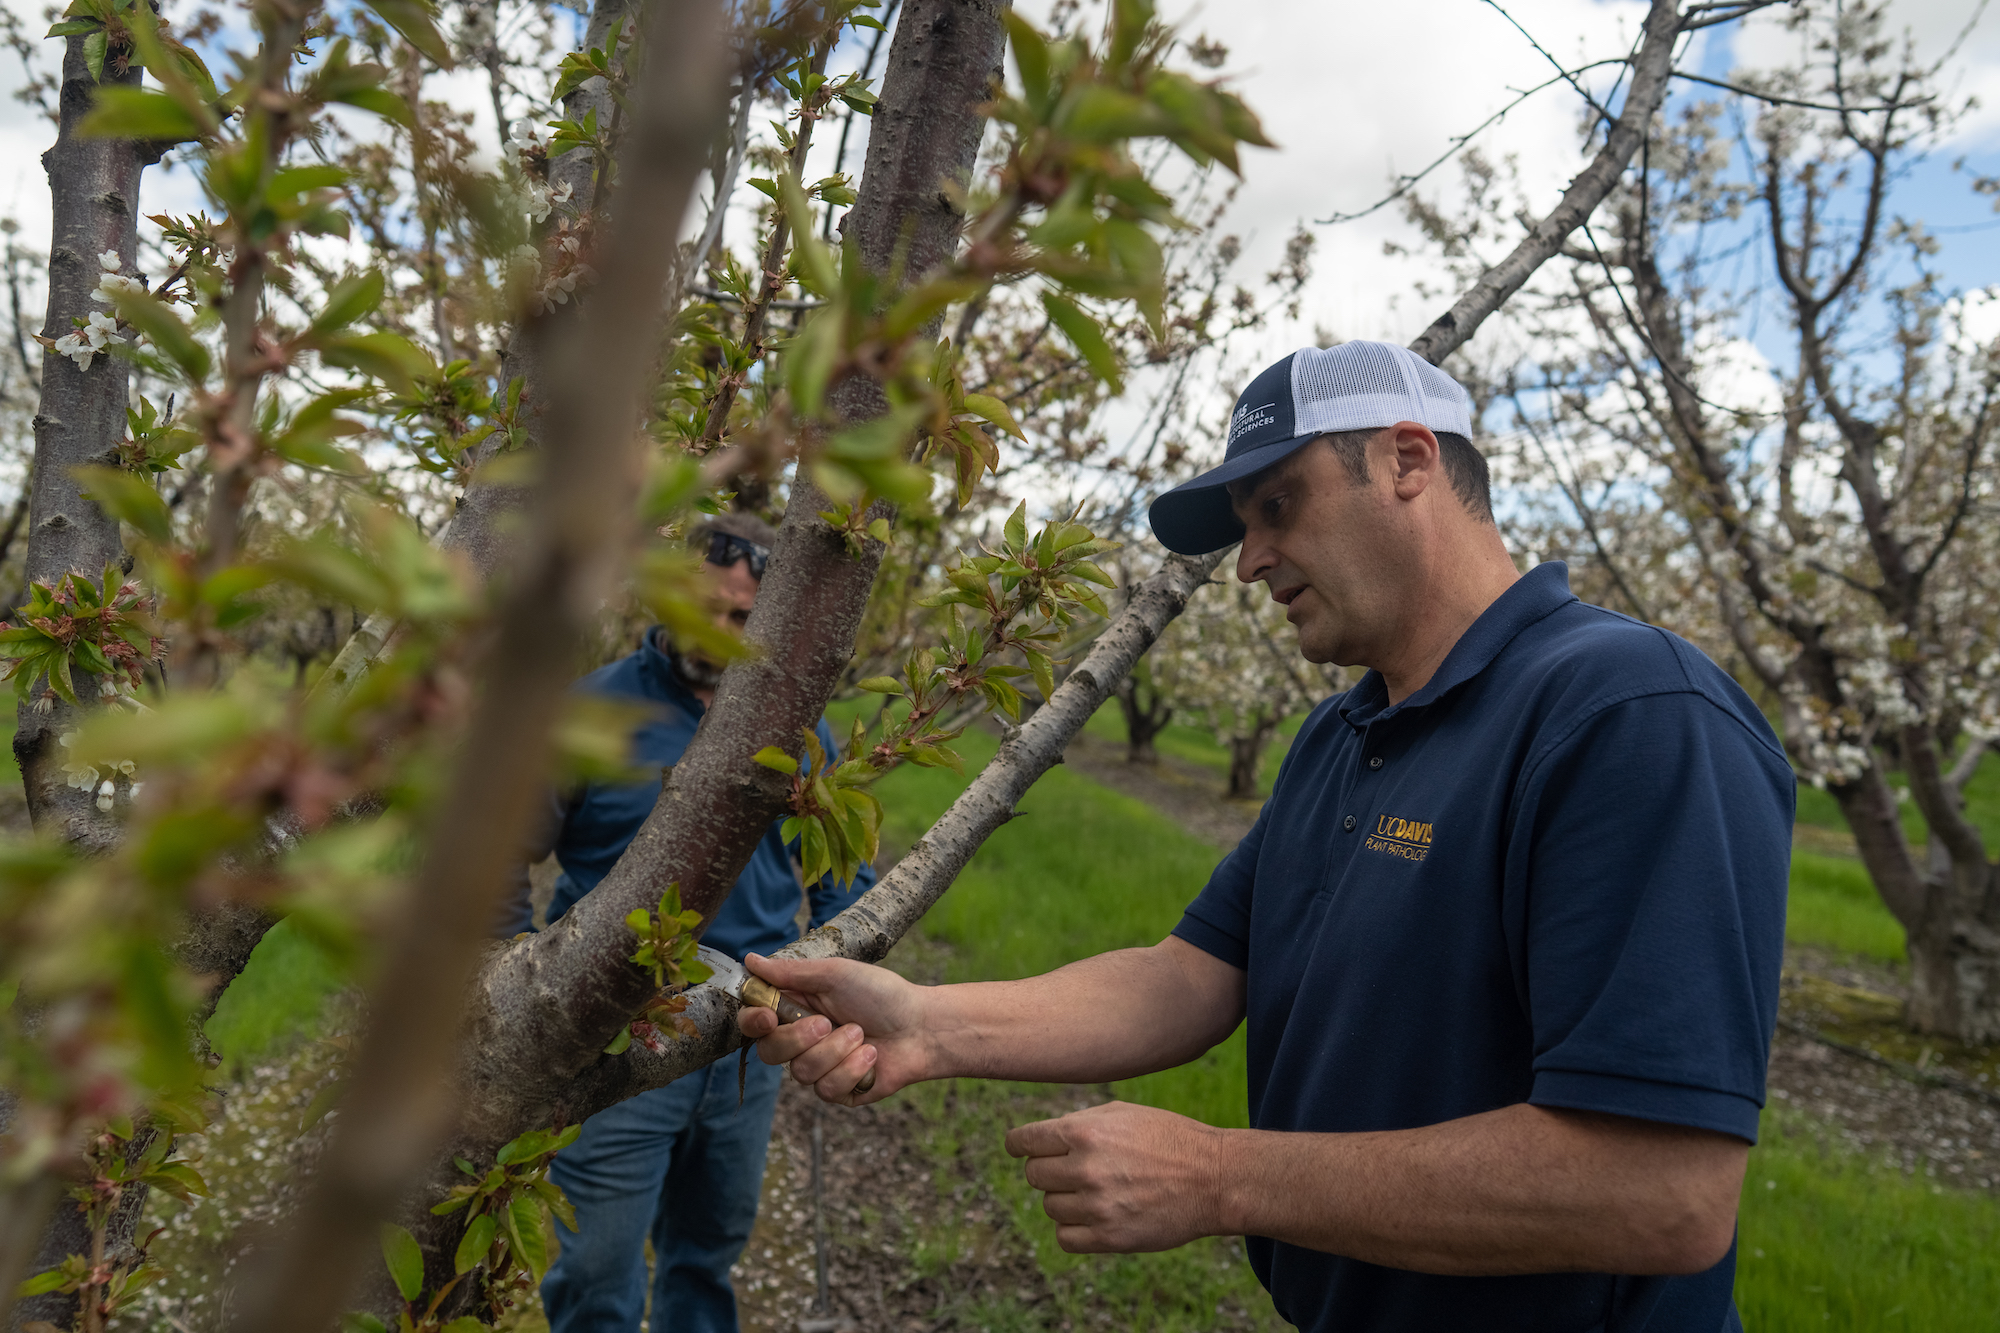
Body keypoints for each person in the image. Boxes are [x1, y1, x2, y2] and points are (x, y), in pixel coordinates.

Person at [737, 341, 1792, 1332]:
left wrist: (1219, 1176)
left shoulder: (1626, 715)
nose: (1248, 562)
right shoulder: (1346, 733)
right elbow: (1191, 975)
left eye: (1277, 506)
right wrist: (928, 1026)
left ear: (1407, 459)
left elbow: (1660, 1190)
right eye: (1243, 522)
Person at [507, 512, 875, 1333]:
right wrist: (509, 979)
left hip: (748, 1037)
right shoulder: (590, 711)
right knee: (598, 1266)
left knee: (707, 1250)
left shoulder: (795, 726)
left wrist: (841, 983)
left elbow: (845, 870)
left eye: (744, 617)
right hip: (616, 1034)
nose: (718, 628)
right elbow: (503, 854)